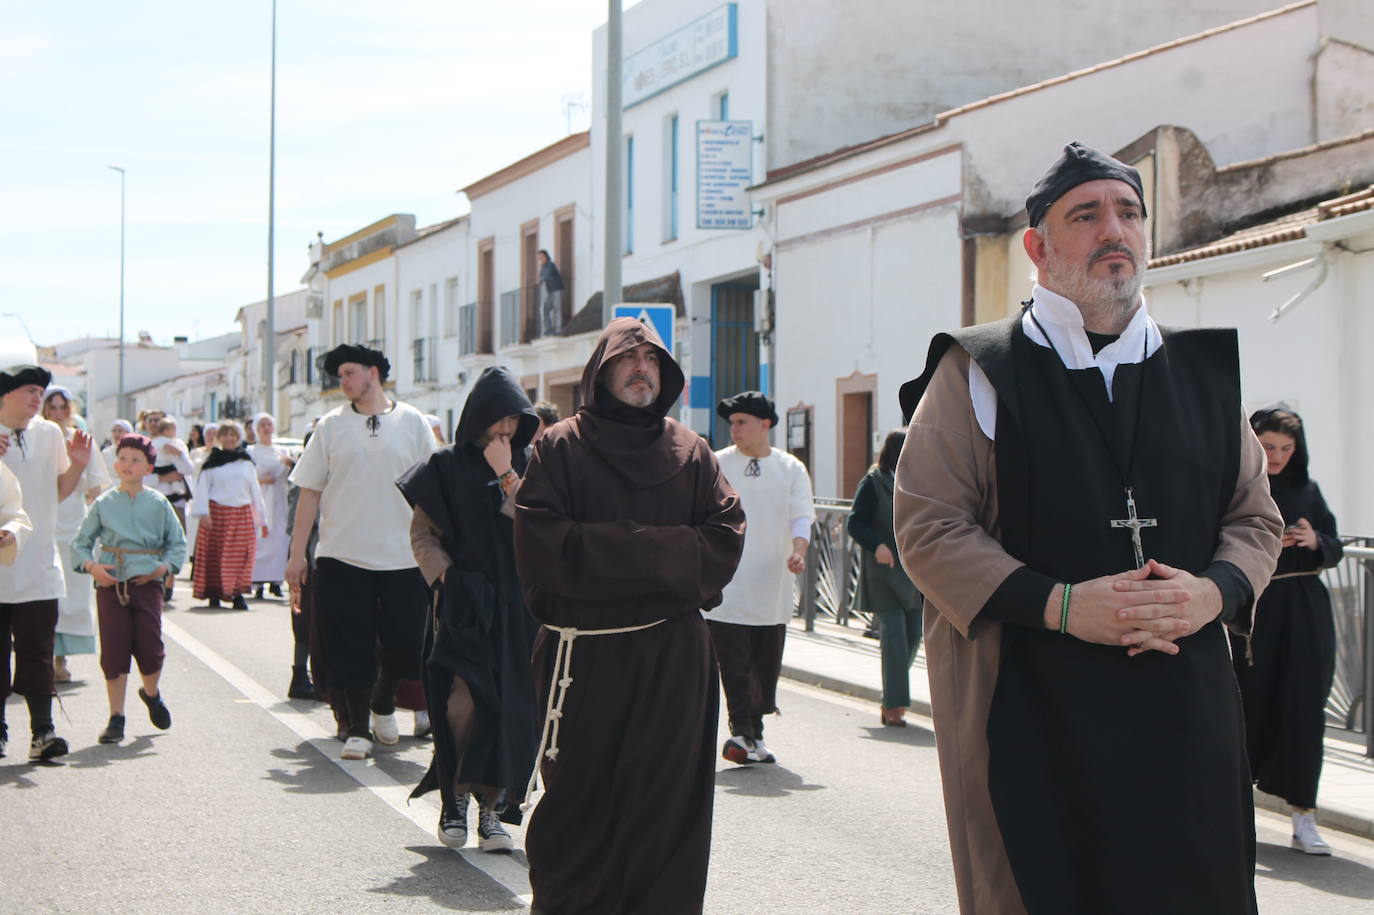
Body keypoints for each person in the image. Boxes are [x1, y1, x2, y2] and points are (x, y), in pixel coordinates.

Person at [893, 142, 1284, 914]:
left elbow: (1254, 516)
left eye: (1129, 213)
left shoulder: (1202, 377)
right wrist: (1065, 605)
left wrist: (1214, 593)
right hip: (1033, 711)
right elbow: (931, 525)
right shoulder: (977, 372)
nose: (1116, 231)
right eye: (1087, 215)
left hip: (1186, 710)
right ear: (1038, 247)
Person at [514, 317, 745, 914]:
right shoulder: (559, 446)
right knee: (578, 809)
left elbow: (722, 543)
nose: (641, 368)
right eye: (628, 359)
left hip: (672, 661)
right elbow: (542, 548)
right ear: (601, 371)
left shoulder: (691, 452)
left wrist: (606, 549)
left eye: (651, 360)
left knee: (665, 809)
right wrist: (664, 551)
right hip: (585, 660)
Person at [399, 366, 542, 853]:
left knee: (510, 708)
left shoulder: (530, 467)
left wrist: (507, 475)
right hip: (462, 609)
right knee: (463, 702)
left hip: (518, 611)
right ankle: (455, 800)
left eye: (513, 421)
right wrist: (449, 583)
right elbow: (423, 537)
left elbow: (538, 529)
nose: (504, 430)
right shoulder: (443, 467)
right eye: (496, 420)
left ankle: (493, 810)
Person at [286, 343, 436, 761]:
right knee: (349, 644)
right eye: (340, 376)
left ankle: (384, 700)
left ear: (373, 372)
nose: (344, 382)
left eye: (349, 372)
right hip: (341, 554)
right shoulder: (330, 427)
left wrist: (442, 544)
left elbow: (433, 488)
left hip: (404, 554)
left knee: (407, 642)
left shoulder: (414, 423)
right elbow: (309, 493)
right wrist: (298, 555)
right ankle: (357, 729)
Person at [1232, 407, 1344, 855]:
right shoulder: (1238, 488)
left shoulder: (1308, 491)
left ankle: (1304, 817)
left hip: (1305, 610)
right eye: (1269, 446)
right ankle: (1239, 816)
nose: (1277, 456)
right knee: (1248, 705)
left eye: (1286, 449)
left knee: (1304, 709)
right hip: (1257, 611)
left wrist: (1316, 542)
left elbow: (1334, 547)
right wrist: (1267, 546)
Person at [708, 390, 814, 765]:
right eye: (731, 423)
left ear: (765, 424)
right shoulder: (716, 464)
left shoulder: (791, 468)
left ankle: (754, 736)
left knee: (764, 667)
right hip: (727, 588)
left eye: (742, 422)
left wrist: (798, 550)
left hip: (773, 588)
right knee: (734, 665)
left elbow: (801, 516)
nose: (734, 429)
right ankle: (743, 733)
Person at [0, 364, 92, 761]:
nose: (38, 398)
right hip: (2, 563)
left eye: (41, 391)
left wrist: (78, 465)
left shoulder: (50, 432)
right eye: (29, 391)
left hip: (39, 565)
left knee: (38, 653)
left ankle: (43, 732)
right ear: (5, 396)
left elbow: (57, 493)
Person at [71, 434, 186, 744]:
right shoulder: (104, 503)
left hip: (147, 582)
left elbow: (177, 543)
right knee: (114, 647)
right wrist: (93, 567)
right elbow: (80, 544)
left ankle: (151, 693)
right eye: (122, 458)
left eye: (136, 460)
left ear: (149, 467)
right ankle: (116, 716)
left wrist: (163, 568)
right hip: (111, 583)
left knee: (150, 644)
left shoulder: (158, 503)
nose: (127, 465)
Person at [848, 429, 923, 728]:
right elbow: (855, 523)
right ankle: (894, 707)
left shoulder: (919, 482)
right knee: (893, 638)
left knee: (914, 636)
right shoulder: (873, 482)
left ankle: (891, 694)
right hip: (883, 572)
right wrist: (876, 545)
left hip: (913, 573)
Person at [43, 385, 112, 682]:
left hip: (73, 524)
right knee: (43, 592)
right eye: (52, 407)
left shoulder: (81, 440)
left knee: (72, 593)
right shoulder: (36, 437)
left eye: (62, 407)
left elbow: (96, 488)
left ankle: (61, 659)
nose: (57, 413)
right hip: (43, 521)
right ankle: (41, 657)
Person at [190, 421, 266, 611]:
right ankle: (214, 593)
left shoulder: (246, 462)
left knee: (240, 556)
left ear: (238, 437)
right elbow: (203, 489)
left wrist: (262, 519)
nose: (229, 439)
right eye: (225, 435)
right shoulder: (212, 461)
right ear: (220, 437)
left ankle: (237, 594)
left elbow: (255, 490)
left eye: (233, 435)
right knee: (215, 556)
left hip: (241, 513)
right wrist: (203, 513)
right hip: (217, 513)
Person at [248, 413, 292, 599]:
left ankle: (276, 581)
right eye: (262, 425)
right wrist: (262, 479)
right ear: (257, 429)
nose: (266, 428)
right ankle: (258, 582)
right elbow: (248, 476)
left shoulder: (282, 452)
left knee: (280, 538)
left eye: (269, 424)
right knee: (261, 539)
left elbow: (289, 474)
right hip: (261, 498)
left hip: (279, 499)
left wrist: (289, 464)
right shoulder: (251, 451)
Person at [536, 249, 565, 336]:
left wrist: (541, 279)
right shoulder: (542, 268)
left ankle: (558, 329)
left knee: (557, 309)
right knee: (545, 309)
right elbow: (541, 279)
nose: (540, 259)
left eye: (541, 257)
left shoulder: (550, 265)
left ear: (545, 257)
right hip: (550, 292)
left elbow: (546, 276)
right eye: (538, 258)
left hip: (557, 290)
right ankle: (548, 329)